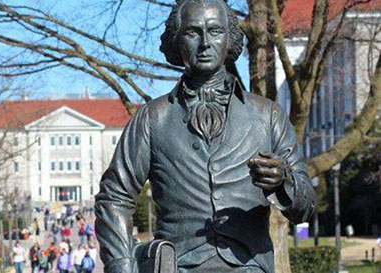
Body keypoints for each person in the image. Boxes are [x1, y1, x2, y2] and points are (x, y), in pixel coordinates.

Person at [95, 0, 317, 271]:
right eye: (192, 32)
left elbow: (306, 206)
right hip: (179, 266)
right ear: (176, 40)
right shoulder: (152, 118)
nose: (204, 43)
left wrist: (284, 182)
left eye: (215, 31)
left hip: (250, 265)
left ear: (229, 38)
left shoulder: (267, 115)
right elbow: (114, 196)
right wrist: (121, 264)